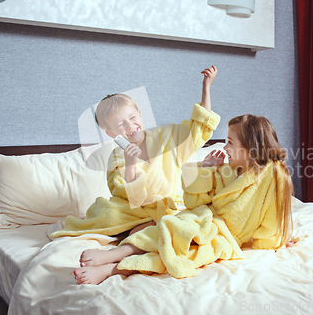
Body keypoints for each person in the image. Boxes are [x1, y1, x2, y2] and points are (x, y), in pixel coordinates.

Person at [74, 113, 294, 284]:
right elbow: (194, 202)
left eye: (230, 142)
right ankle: (114, 253)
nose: (224, 147)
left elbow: (274, 218)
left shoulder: (273, 176)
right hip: (201, 218)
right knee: (167, 227)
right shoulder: (229, 169)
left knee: (180, 251)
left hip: (224, 236)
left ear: (249, 147)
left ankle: (111, 269)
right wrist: (207, 169)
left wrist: (277, 240)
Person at [51, 66, 221, 243]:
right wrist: (130, 163)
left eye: (132, 118)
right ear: (111, 133)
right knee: (109, 214)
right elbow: (126, 195)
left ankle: (139, 232)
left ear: (140, 114)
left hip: (167, 207)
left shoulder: (166, 136)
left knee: (194, 216)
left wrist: (206, 87)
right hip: (136, 210)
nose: (130, 126)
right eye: (121, 125)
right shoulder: (118, 155)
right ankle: (134, 231)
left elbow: (198, 127)